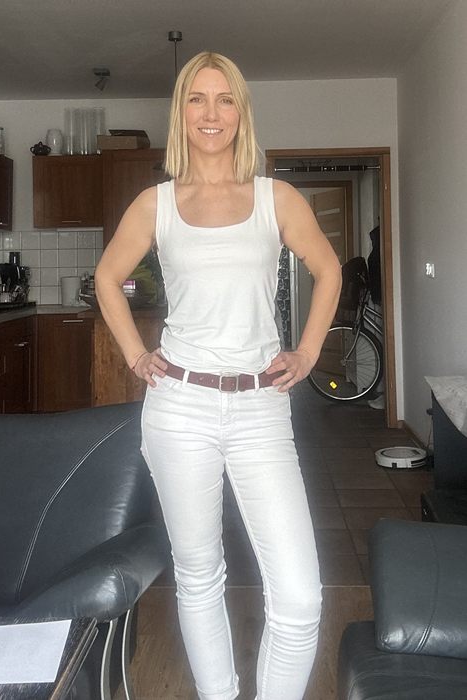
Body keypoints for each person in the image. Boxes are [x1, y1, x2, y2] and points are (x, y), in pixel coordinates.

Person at [95, 51, 342, 700]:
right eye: (197, 99)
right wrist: (134, 354)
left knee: (299, 596)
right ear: (181, 112)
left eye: (225, 98)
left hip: (261, 408)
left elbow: (328, 270)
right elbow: (106, 278)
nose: (211, 113)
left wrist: (308, 352)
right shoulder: (155, 204)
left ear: (241, 112)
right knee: (199, 574)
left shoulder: (275, 198)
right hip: (179, 407)